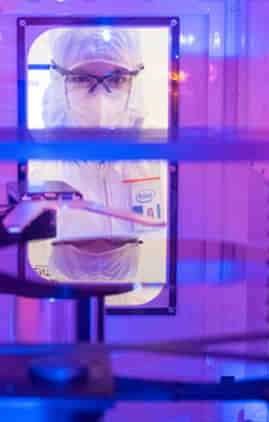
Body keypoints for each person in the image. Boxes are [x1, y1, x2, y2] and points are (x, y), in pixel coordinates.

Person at [28, 27, 165, 283]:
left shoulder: (160, 159)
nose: (101, 96)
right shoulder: (35, 167)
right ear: (60, 81)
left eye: (116, 79)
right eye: (81, 78)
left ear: (135, 82)